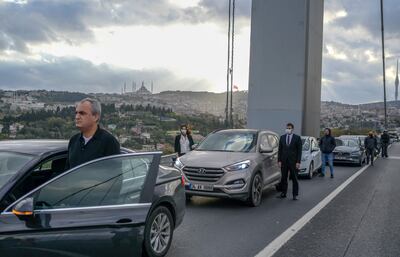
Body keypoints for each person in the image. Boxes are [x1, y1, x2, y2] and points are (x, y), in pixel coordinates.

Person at [65, 98, 120, 169]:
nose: (77, 117)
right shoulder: (73, 141)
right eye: (76, 113)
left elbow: (115, 175)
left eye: (82, 113)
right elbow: (67, 172)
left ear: (95, 117)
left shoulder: (109, 142)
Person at [278, 123, 302, 200]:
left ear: (292, 129)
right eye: (287, 128)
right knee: (284, 178)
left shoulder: (297, 138)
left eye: (289, 128)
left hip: (294, 162)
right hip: (284, 161)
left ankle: (295, 195)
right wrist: (279, 160)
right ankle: (283, 193)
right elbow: (280, 150)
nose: (288, 129)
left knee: (294, 178)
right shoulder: (282, 137)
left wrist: (298, 162)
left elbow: (299, 151)